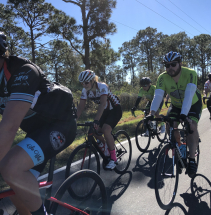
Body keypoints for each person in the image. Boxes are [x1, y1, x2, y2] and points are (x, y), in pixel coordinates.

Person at [0, 32, 77, 215]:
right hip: (35, 131)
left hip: (60, 125)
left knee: (10, 167)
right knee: (15, 189)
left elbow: (9, 127)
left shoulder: (23, 71)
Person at [146, 51, 202, 178]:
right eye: (167, 65)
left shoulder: (190, 73)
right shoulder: (162, 77)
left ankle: (192, 160)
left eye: (173, 64)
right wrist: (152, 113)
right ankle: (179, 147)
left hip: (193, 103)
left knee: (192, 127)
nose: (170, 68)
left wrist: (184, 115)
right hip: (176, 105)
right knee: (171, 125)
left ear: (180, 63)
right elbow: (158, 95)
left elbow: (189, 95)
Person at [77, 70, 122, 170]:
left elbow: (102, 104)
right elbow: (80, 107)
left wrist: (96, 120)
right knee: (93, 131)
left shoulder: (102, 86)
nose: (84, 85)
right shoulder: (85, 90)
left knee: (106, 130)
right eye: (82, 83)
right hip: (105, 111)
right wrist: (74, 119)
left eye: (86, 82)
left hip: (115, 109)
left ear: (93, 80)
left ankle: (114, 159)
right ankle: (106, 146)